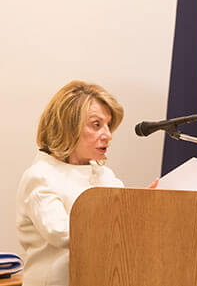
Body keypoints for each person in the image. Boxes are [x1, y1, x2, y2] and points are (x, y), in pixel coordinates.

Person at [16, 81, 159, 286]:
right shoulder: (40, 176)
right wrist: (128, 215)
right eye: (96, 125)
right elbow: (64, 234)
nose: (108, 135)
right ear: (68, 127)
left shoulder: (104, 175)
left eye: (109, 126)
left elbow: (121, 228)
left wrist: (143, 206)